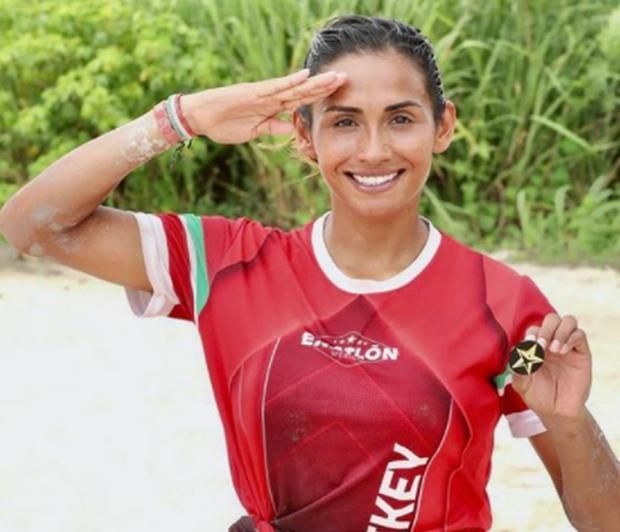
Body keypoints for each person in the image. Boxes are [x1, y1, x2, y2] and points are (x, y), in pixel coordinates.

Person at [0, 14, 618, 532]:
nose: (373, 150)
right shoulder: (227, 263)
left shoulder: (507, 308)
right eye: (344, 121)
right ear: (304, 135)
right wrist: (181, 118)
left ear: (444, 126)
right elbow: (34, 225)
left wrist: (569, 423)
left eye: (401, 118)